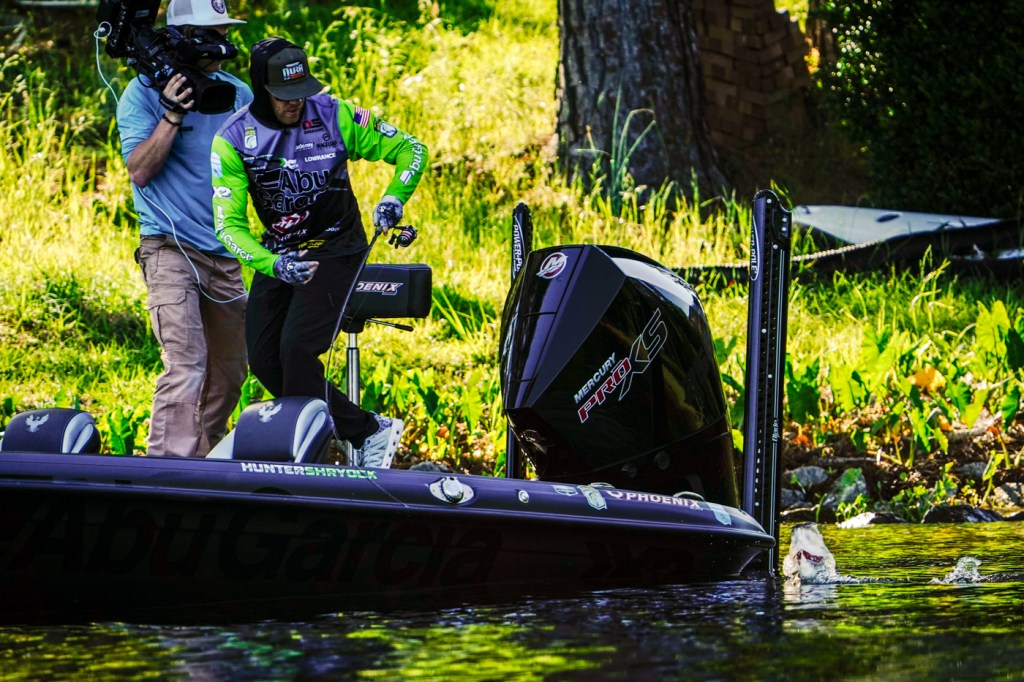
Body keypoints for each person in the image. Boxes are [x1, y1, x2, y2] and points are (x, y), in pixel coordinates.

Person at [210, 38, 428, 468]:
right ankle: (364, 429)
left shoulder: (334, 114)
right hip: (279, 253)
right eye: (284, 95)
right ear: (261, 89)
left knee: (297, 349)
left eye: (302, 91)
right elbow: (229, 227)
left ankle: (326, 447)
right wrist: (274, 264)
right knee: (265, 360)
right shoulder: (233, 139)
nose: (295, 102)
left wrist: (394, 198)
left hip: (336, 246)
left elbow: (411, 149)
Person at [116, 0, 252, 457]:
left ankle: (200, 461)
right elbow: (140, 170)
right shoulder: (140, 94)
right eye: (213, 36)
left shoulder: (237, 93)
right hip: (168, 248)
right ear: (183, 38)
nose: (222, 46)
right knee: (186, 363)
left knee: (229, 373)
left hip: (224, 251)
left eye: (225, 35)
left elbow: (260, 165)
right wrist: (172, 114)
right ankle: (166, 468)